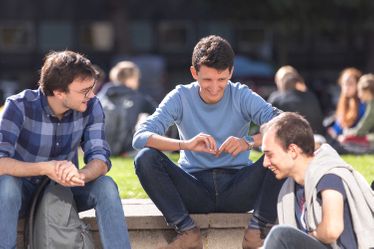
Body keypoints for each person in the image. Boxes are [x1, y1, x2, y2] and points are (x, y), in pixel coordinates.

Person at [133, 35, 284, 249]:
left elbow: (288, 126)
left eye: (222, 79)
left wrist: (248, 141)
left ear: (230, 72)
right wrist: (185, 145)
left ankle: (257, 229)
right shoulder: (180, 96)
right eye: (207, 80)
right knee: (145, 158)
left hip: (239, 188)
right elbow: (140, 137)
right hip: (194, 189)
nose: (214, 88)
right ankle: (186, 229)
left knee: (282, 153)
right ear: (194, 73)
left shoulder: (241, 94)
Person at [0, 51, 131, 249]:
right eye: (84, 91)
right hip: (22, 191)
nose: (92, 95)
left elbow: (100, 159)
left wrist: (80, 175)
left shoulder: (92, 106)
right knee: (7, 185)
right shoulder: (18, 107)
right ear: (59, 92)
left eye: (92, 88)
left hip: (66, 190)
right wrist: (46, 168)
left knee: (106, 185)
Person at [260, 112, 374, 249]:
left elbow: (332, 229)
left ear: (292, 150)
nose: (265, 163)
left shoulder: (329, 175)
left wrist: (305, 237)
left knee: (280, 236)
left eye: (269, 154)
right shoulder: (288, 190)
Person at [97, 60, 157, 156]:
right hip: (124, 150)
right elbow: (159, 113)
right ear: (132, 79)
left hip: (99, 148)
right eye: (137, 79)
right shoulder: (138, 98)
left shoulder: (101, 95)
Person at [268, 70, 325, 135]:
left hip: (288, 139)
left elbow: (268, 124)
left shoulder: (276, 98)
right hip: (315, 136)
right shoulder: (311, 96)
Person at [338, 73, 374, 153]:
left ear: (367, 91)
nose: (359, 95)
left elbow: (362, 130)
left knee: (346, 141)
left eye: (360, 91)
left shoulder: (372, 105)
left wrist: (347, 132)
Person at [327, 67, 365, 138]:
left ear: (358, 85)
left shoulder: (363, 104)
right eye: (344, 83)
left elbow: (361, 129)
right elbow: (337, 128)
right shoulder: (343, 102)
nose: (346, 87)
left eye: (350, 84)